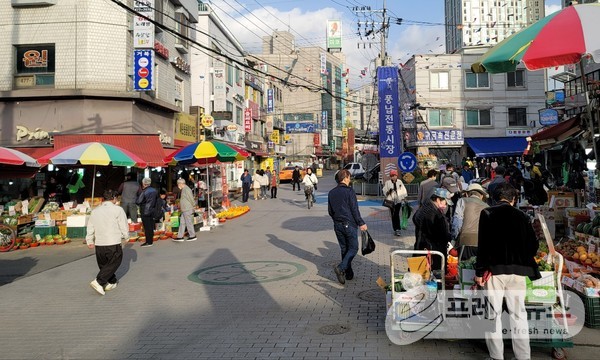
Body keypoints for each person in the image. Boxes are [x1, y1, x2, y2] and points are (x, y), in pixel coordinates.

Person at [475, 182, 540, 360]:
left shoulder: (487, 213)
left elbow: (483, 246)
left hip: (494, 272)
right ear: (513, 199)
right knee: (519, 315)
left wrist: (479, 272)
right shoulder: (523, 216)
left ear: (495, 198)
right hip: (519, 272)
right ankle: (523, 357)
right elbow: (533, 246)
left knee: (492, 316)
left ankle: (496, 356)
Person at [328, 169, 368, 284]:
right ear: (345, 178)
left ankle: (348, 273)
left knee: (344, 249)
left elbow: (330, 211)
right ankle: (340, 268)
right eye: (349, 177)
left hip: (337, 225)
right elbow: (354, 209)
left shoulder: (331, 192)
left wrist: (337, 220)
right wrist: (361, 223)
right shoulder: (349, 191)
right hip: (349, 224)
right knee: (353, 248)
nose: (350, 180)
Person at [86, 189, 129, 295]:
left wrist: (89, 240)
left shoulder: (95, 211)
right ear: (114, 198)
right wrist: (126, 236)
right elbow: (123, 224)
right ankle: (98, 281)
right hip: (112, 241)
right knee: (115, 262)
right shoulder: (118, 210)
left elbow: (90, 226)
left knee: (104, 265)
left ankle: (112, 281)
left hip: (99, 243)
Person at [412, 188, 453, 270]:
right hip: (432, 250)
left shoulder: (426, 207)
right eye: (445, 202)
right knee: (434, 274)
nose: (446, 206)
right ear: (438, 200)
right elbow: (437, 233)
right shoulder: (432, 213)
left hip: (425, 247)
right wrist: (449, 237)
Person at [451, 183, 489, 260]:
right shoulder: (487, 207)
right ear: (481, 196)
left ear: (467, 194)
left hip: (465, 241)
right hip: (482, 243)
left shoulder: (462, 201)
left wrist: (454, 238)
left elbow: (457, 223)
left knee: (464, 267)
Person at [382, 169, 408, 236]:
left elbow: (403, 190)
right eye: (392, 176)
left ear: (397, 176)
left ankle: (398, 229)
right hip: (391, 202)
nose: (393, 177)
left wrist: (404, 198)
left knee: (396, 214)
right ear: (390, 176)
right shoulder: (388, 182)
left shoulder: (399, 182)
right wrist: (388, 192)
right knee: (393, 215)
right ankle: (396, 229)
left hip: (398, 201)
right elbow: (384, 190)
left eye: (395, 175)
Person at [172, 178, 196, 242]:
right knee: (182, 223)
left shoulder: (186, 189)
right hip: (184, 209)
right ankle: (180, 236)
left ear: (180, 184)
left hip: (187, 208)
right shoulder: (184, 189)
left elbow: (191, 198)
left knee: (188, 222)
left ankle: (192, 235)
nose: (178, 186)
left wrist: (194, 205)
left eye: (178, 184)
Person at [136, 177, 158, 247]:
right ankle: (150, 240)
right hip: (152, 209)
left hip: (145, 210)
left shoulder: (144, 191)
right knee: (151, 225)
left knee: (147, 226)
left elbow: (138, 201)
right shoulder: (154, 190)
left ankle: (148, 242)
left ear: (143, 183)